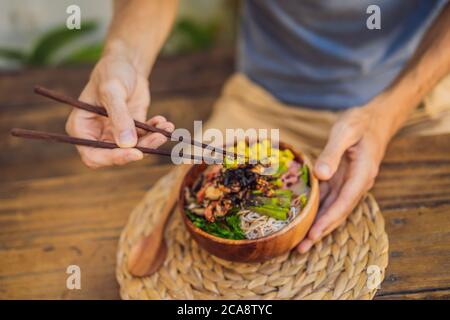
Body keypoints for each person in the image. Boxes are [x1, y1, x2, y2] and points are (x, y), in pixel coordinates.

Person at [66, 0, 450, 253]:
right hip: (261, 101)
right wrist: (126, 58)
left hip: (414, 97)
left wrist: (386, 115)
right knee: (187, 233)